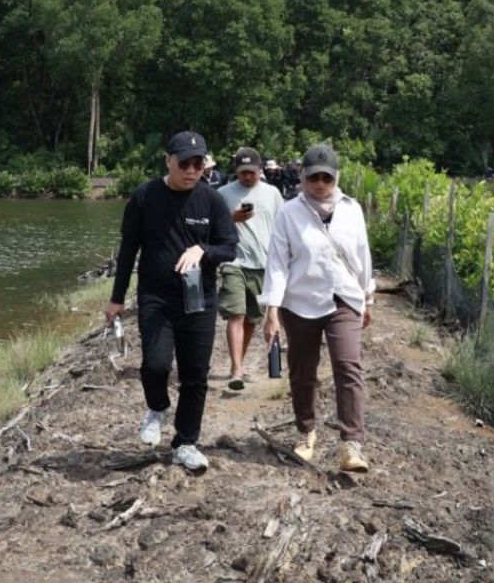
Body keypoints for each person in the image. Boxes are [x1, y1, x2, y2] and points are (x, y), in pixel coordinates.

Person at [106, 131, 237, 471]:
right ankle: (157, 407)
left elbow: (229, 247)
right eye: (185, 163)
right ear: (169, 160)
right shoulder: (145, 196)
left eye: (199, 164)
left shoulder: (212, 201)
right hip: (155, 296)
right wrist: (116, 298)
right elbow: (128, 250)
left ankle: (186, 442)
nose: (192, 170)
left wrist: (203, 250)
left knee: (195, 375)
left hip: (199, 301)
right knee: (156, 364)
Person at [260, 144, 375, 472]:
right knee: (302, 370)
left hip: (344, 297)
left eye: (327, 177)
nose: (321, 183)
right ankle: (306, 431)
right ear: (303, 177)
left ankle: (352, 443)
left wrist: (367, 297)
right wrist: (272, 309)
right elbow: (278, 263)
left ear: (336, 177)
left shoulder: (352, 209)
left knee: (348, 364)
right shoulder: (288, 212)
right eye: (314, 177)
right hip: (300, 301)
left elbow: (362, 255)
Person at [217, 147, 283, 390]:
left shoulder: (273, 194)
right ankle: (235, 370)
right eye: (243, 172)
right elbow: (213, 228)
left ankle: (240, 364)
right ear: (236, 171)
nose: (247, 177)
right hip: (233, 262)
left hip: (262, 264)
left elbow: (282, 227)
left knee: (252, 319)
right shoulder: (223, 194)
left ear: (260, 170)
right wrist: (231, 219)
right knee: (236, 313)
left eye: (252, 172)